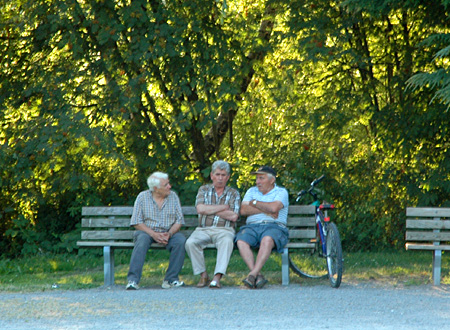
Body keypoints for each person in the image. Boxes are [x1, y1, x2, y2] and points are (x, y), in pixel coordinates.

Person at [185, 160, 241, 289]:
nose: (220, 178)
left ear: (227, 177)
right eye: (217, 174)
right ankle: (203, 275)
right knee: (190, 243)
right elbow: (200, 209)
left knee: (227, 242)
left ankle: (217, 278)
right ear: (211, 175)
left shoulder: (233, 193)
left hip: (225, 229)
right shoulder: (203, 190)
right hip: (203, 229)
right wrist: (223, 208)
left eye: (223, 175)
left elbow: (233, 216)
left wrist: (210, 209)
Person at [126, 172, 186, 290]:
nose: (169, 186)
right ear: (155, 189)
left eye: (168, 183)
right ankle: (133, 280)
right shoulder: (142, 197)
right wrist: (153, 234)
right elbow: (136, 222)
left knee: (180, 241)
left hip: (168, 232)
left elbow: (179, 220)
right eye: (166, 185)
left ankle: (171, 279)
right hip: (147, 232)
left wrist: (169, 234)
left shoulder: (173, 196)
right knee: (142, 239)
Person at [235, 165, 289, 289]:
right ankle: (257, 275)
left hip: (274, 227)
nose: (257, 182)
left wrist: (254, 203)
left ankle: (252, 274)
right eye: (257, 178)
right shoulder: (251, 191)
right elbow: (243, 210)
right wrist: (267, 210)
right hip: (252, 227)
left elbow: (274, 208)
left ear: (272, 180)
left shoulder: (281, 192)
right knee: (241, 240)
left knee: (267, 239)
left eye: (261, 178)